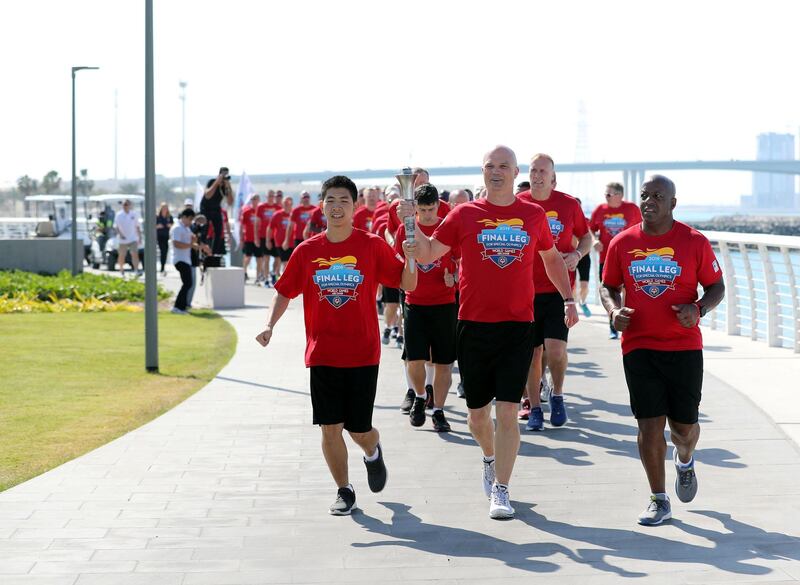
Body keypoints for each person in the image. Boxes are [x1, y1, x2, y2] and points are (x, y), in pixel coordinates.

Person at [414, 146, 578, 519]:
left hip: (518, 326)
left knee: (506, 412)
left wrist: (568, 299)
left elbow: (551, 258)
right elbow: (426, 255)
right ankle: (489, 457)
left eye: (504, 166)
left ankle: (501, 489)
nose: (497, 171)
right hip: (472, 325)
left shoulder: (532, 214)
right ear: (483, 172)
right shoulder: (464, 214)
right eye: (490, 166)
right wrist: (412, 224)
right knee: (476, 417)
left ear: (515, 171)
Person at [255, 175, 418, 516]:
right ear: (322, 205)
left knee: (359, 429)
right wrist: (269, 325)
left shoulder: (371, 246)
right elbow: (284, 291)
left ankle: (372, 451)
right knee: (330, 426)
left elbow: (406, 282)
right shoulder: (308, 250)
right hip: (323, 353)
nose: (337, 206)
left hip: (362, 354)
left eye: (344, 200)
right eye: (331, 200)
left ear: (355, 206)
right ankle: (344, 489)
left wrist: (412, 256)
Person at [600, 175, 725, 526]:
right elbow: (608, 286)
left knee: (683, 428)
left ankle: (685, 459)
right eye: (644, 195)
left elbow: (717, 286)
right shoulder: (622, 243)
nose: (649, 201)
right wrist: (613, 311)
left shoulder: (693, 241)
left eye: (658, 196)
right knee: (649, 425)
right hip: (638, 345)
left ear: (673, 203)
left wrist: (698, 309)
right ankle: (659, 498)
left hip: (684, 347)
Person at [516, 154, 592, 431]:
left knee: (556, 351)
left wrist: (577, 254)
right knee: (533, 354)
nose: (537, 175)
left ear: (553, 177)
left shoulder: (568, 204)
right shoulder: (519, 203)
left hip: (558, 290)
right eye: (533, 170)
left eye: (542, 171)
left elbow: (587, 237)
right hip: (525, 290)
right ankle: (535, 407)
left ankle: (557, 394)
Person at [394, 183, 458, 432]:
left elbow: (460, 259)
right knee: (414, 359)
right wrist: (403, 255)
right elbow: (396, 258)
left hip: (444, 303)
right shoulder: (406, 228)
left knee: (444, 363)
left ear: (438, 206)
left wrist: (453, 275)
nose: (428, 214)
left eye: (432, 209)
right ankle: (420, 396)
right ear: (416, 209)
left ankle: (439, 410)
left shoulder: (447, 226)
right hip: (415, 302)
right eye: (423, 210)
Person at [590, 182, 642, 339]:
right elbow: (590, 228)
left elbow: (642, 227)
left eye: (609, 194)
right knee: (609, 292)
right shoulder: (600, 210)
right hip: (605, 258)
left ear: (619, 195)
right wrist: (594, 241)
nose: (605, 197)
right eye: (605, 194)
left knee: (629, 291)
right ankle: (613, 325)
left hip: (629, 259)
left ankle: (629, 321)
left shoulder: (632, 209)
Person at [202, 167, 234, 255]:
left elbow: (230, 202)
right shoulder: (212, 182)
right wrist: (217, 182)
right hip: (206, 208)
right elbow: (207, 195)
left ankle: (214, 253)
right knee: (205, 228)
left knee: (219, 231)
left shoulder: (225, 187)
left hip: (216, 208)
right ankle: (203, 249)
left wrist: (228, 187)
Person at [170, 208, 196, 314]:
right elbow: (176, 243)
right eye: (189, 219)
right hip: (180, 259)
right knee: (188, 283)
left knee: (188, 284)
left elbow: (191, 241)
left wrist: (194, 242)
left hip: (186, 259)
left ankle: (182, 306)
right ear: (184, 217)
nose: (190, 222)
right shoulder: (177, 228)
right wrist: (190, 245)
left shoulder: (186, 228)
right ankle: (177, 307)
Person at [266, 196, 294, 282]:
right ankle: (284, 280)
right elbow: (270, 228)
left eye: (288, 203)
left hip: (293, 242)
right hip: (280, 242)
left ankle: (278, 275)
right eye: (285, 203)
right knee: (284, 262)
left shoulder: (294, 213)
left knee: (290, 263)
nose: (286, 205)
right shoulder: (277, 214)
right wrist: (268, 241)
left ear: (291, 204)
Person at [256, 190, 281, 285]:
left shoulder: (278, 207)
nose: (271, 197)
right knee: (266, 258)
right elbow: (256, 223)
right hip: (263, 236)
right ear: (266, 196)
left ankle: (273, 273)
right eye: (269, 195)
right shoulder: (261, 207)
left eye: (272, 195)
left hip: (275, 237)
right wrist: (256, 237)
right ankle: (266, 279)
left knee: (278, 258)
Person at [573, 197, 592, 317]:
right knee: (572, 284)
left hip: (584, 255)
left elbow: (589, 236)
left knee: (584, 284)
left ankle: (583, 302)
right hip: (570, 255)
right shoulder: (566, 219)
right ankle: (573, 304)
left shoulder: (586, 220)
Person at [113, 199, 142, 278]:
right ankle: (121, 270)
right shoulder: (119, 215)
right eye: (124, 204)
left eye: (127, 204)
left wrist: (140, 237)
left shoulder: (134, 214)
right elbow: (116, 226)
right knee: (122, 255)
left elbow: (137, 226)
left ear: (130, 205)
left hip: (133, 238)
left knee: (134, 254)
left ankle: (136, 270)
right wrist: (121, 234)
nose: (126, 206)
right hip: (123, 239)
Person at [239, 193, 261, 281]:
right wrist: (241, 239)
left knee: (259, 258)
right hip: (248, 238)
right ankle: (244, 273)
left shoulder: (261, 210)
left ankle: (258, 276)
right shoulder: (246, 211)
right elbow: (241, 226)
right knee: (247, 257)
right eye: (252, 199)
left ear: (258, 200)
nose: (254, 201)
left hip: (258, 239)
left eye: (256, 199)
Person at [156, 202, 174, 275]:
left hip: (167, 236)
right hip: (159, 236)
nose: (164, 209)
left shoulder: (169, 217)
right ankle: (162, 267)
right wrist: (158, 226)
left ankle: (163, 266)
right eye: (163, 207)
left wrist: (170, 225)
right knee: (162, 250)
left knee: (165, 251)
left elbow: (173, 225)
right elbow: (153, 226)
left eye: (166, 208)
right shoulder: (157, 217)